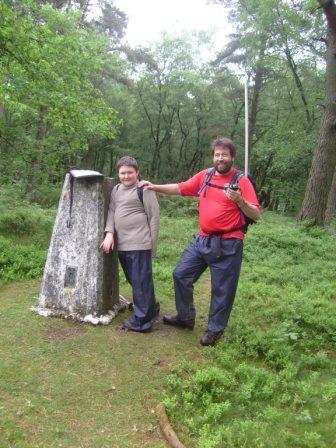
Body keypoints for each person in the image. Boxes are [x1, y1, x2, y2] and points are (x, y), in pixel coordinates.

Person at [139, 138, 261, 346]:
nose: (220, 158)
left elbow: (256, 214)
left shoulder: (242, 181)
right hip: (202, 239)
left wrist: (240, 200)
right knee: (181, 274)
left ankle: (215, 330)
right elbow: (180, 188)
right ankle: (185, 317)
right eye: (217, 154)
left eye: (224, 155)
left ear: (232, 157)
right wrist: (153, 186)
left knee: (222, 290)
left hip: (229, 243)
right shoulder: (206, 175)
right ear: (213, 156)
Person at [101, 156, 160, 333]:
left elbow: (154, 218)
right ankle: (150, 307)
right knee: (135, 280)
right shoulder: (116, 190)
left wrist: (152, 246)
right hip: (123, 244)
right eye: (122, 173)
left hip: (140, 243)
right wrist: (109, 233)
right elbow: (112, 211)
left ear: (137, 172)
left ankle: (142, 321)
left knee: (141, 281)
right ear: (118, 173)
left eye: (130, 173)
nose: (126, 176)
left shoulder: (145, 190)